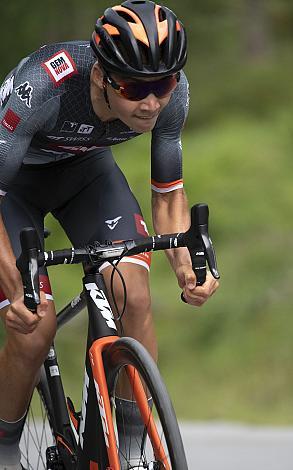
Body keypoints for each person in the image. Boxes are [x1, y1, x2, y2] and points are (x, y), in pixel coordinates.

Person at [0, 0, 219, 468]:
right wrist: (15, 286)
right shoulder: (44, 86)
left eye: (163, 84)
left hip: (86, 175)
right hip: (11, 188)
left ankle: (131, 445)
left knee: (134, 296)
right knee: (35, 328)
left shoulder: (170, 96)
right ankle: (3, 445)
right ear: (101, 76)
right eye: (136, 88)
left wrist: (185, 267)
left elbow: (168, 195)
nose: (152, 102)